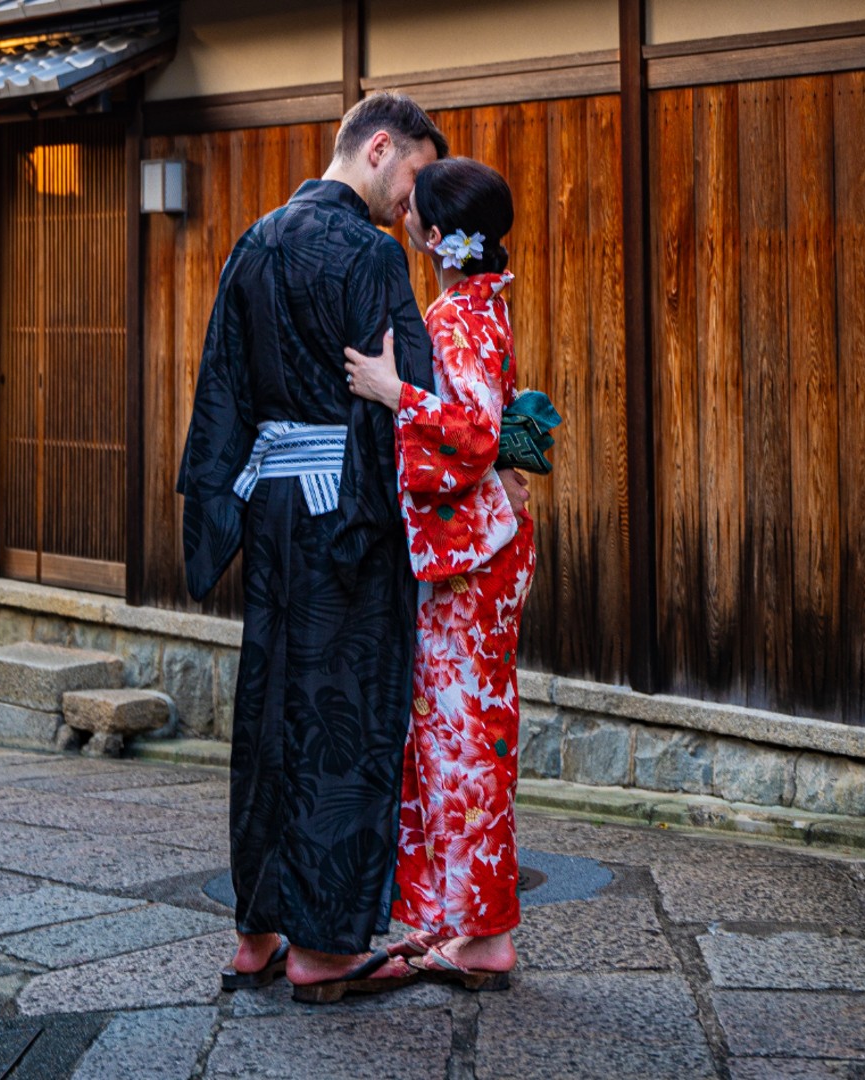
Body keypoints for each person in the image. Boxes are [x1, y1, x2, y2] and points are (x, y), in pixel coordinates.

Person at [176, 92, 449, 1003]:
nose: (413, 209)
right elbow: (411, 388)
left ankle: (256, 932)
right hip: (350, 519)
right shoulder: (369, 254)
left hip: (274, 506)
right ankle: (324, 950)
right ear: (379, 148)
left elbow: (222, 385)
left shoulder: (254, 241)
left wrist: (221, 511)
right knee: (344, 719)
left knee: (268, 714)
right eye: (412, 180)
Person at [343, 157, 536, 989]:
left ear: (432, 233)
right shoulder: (480, 304)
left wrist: (392, 393)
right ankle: (460, 923)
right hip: (486, 549)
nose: (404, 218)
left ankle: (484, 936)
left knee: (463, 742)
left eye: (413, 211)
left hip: (471, 561)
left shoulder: (457, 317)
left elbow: (472, 431)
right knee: (465, 734)